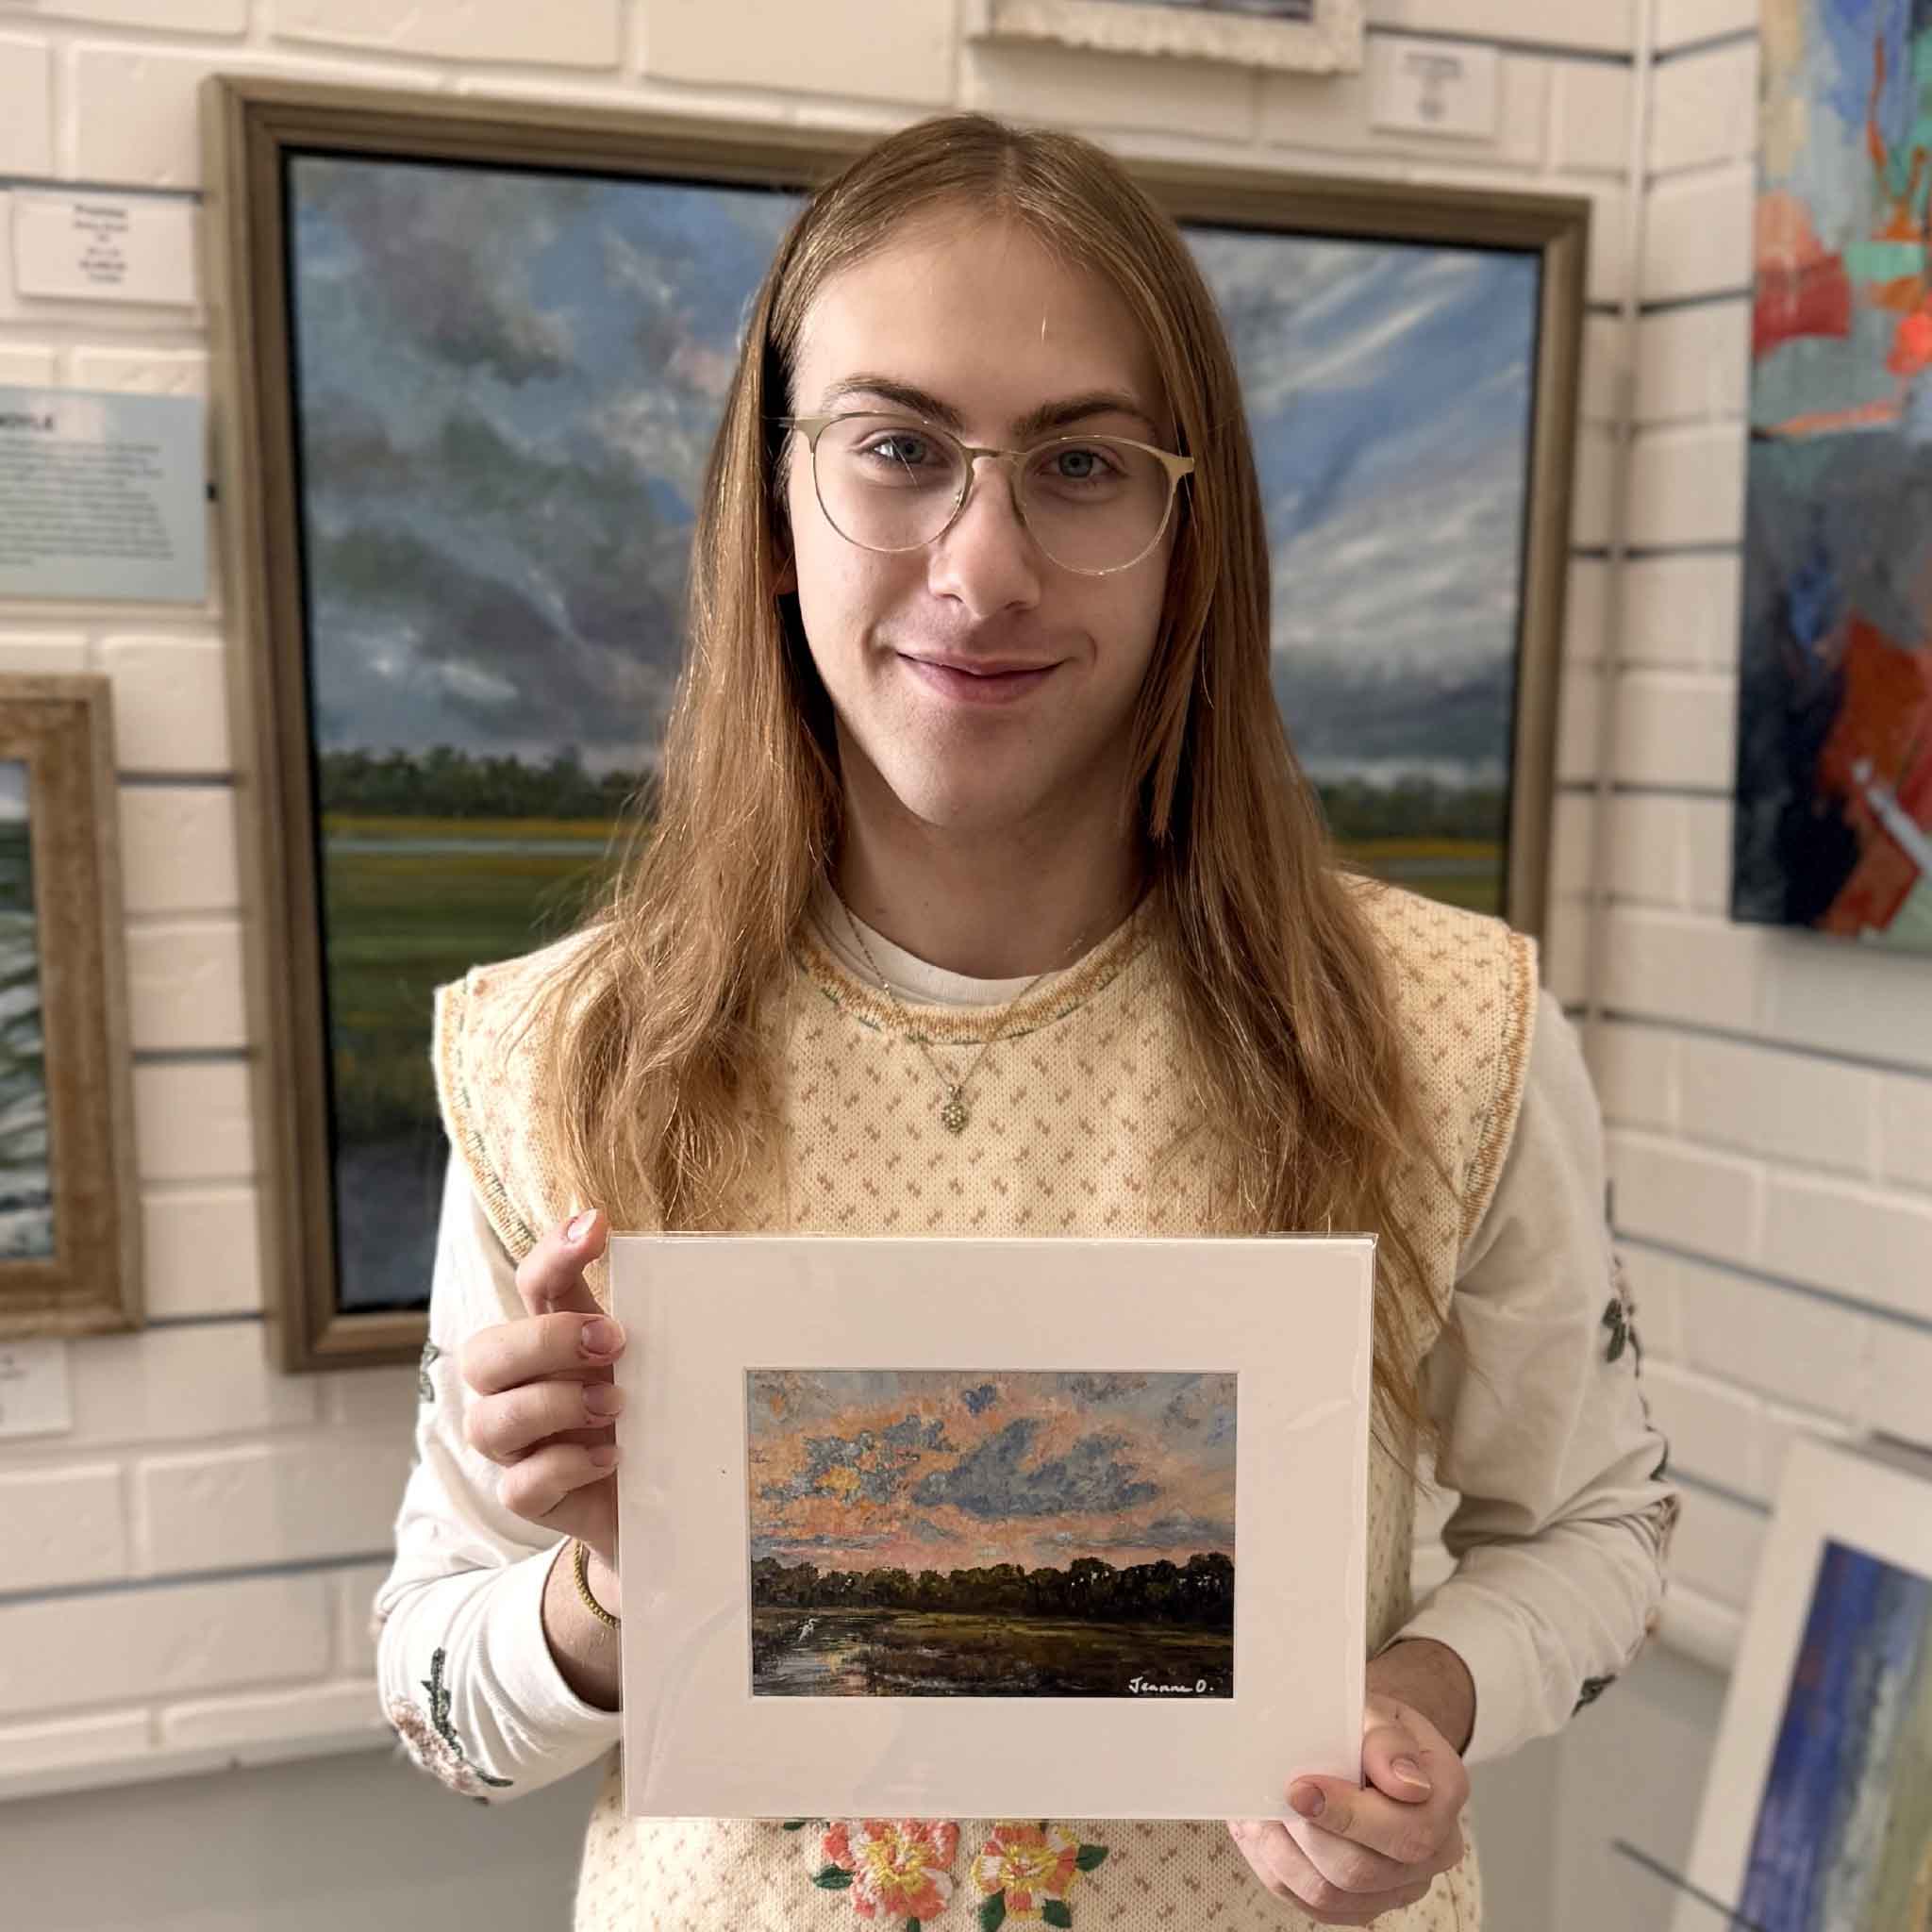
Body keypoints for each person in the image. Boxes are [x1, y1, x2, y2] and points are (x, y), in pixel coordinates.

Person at [374, 112, 1678, 1931]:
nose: (982, 571)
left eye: (1080, 465)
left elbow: (1599, 1534)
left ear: (1184, 535)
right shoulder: (559, 1056)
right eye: (898, 449)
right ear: (772, 509)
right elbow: (438, 1703)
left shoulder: (1448, 1034)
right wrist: (605, 1596)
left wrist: (1419, 1700)